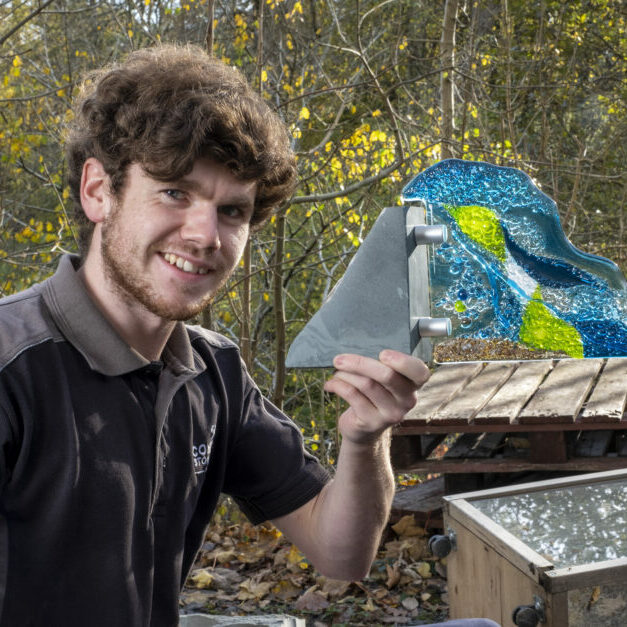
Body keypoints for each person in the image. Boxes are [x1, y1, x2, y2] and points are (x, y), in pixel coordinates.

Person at [0, 44, 498, 627]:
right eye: (174, 192)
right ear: (97, 192)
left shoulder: (214, 372)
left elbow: (341, 554)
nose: (205, 234)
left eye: (232, 211)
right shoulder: (13, 365)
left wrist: (365, 440)